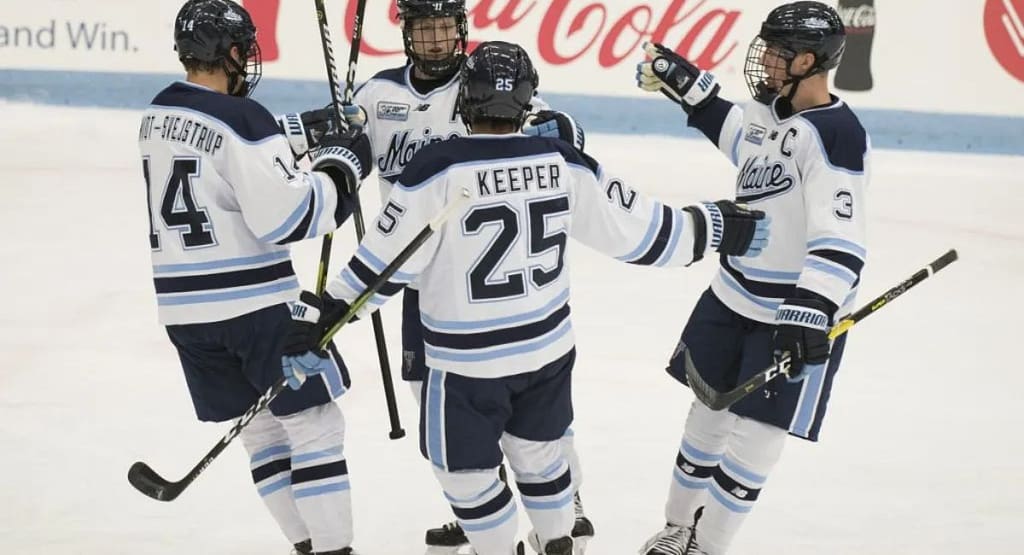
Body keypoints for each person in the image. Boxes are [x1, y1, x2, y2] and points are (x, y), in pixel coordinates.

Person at [281, 41, 769, 555]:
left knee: (464, 474)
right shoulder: (562, 162)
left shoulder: (435, 168)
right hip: (547, 355)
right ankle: (558, 543)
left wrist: (325, 316)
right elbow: (641, 232)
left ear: (465, 100)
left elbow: (382, 267)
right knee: (542, 459)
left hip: (467, 364)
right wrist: (713, 225)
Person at [339, 1, 591, 551]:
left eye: (443, 28)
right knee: (428, 393)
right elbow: (346, 164)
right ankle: (482, 500)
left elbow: (560, 135)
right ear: (406, 33)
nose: (434, 41)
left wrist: (565, 127)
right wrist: (337, 144)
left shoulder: (486, 82)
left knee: (529, 404)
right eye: (422, 29)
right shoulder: (376, 97)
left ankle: (560, 494)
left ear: (461, 30)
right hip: (419, 275)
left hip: (495, 282)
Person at [634, 2, 870, 553]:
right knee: (706, 412)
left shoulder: (836, 133)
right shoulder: (770, 110)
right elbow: (740, 136)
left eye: (777, 52)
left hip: (791, 310)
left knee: (758, 436)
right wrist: (689, 88)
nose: (762, 59)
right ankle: (677, 527)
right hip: (731, 295)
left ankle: (709, 546)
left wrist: (813, 306)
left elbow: (843, 238)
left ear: (809, 60)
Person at [138, 1, 372, 553]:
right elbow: (289, 217)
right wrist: (342, 168)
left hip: (186, 318)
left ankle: (306, 546)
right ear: (233, 53)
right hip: (254, 311)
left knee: (264, 436)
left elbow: (220, 153)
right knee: (316, 426)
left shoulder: (155, 114)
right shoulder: (246, 120)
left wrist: (303, 132)